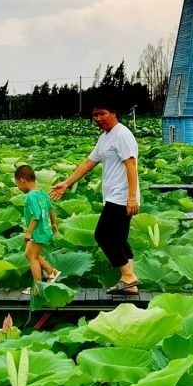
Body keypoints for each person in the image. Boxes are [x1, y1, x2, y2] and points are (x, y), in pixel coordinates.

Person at [52, 105, 141, 296]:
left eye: (102, 113)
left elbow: (131, 164)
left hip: (122, 196)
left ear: (114, 112)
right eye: (94, 115)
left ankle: (128, 277)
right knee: (119, 239)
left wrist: (132, 197)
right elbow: (88, 163)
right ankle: (130, 283)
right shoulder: (105, 138)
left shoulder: (122, 135)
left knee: (102, 235)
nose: (98, 118)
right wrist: (67, 183)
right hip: (113, 196)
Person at [14, 163, 61, 287]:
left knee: (33, 257)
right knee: (28, 254)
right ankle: (51, 272)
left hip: (38, 231)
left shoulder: (30, 197)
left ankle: (38, 287)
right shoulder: (42, 193)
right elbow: (51, 209)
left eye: (17, 184)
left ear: (22, 180)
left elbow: (36, 215)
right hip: (45, 230)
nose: (18, 187)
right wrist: (54, 224)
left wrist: (28, 232)